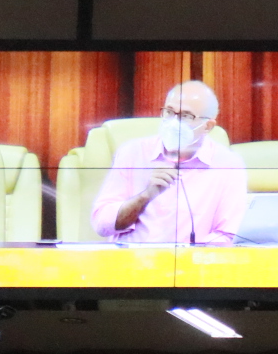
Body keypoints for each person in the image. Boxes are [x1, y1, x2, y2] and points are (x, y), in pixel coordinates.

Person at [91, 80, 249, 245]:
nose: (174, 122)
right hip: (132, 257)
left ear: (207, 126)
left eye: (186, 116)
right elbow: (102, 224)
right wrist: (145, 196)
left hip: (192, 259)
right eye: (169, 112)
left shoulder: (228, 164)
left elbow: (228, 234)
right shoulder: (132, 152)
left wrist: (189, 254)